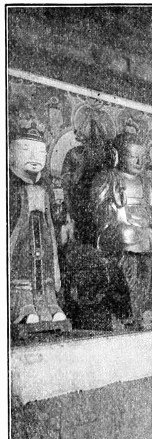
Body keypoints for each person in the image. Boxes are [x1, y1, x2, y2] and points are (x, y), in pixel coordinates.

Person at [92, 132, 152, 253]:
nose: (139, 162)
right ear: (117, 155)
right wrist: (116, 207)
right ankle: (142, 251)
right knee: (127, 233)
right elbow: (99, 214)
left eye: (143, 157)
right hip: (124, 231)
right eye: (133, 157)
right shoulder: (108, 178)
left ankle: (149, 246)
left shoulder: (146, 182)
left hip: (148, 232)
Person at [9, 128, 68, 324]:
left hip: (43, 236)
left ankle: (49, 304)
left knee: (46, 266)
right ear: (10, 153)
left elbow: (54, 219)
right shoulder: (10, 184)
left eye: (40, 151)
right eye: (26, 150)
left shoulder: (46, 185)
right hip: (21, 239)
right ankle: (22, 306)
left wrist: (59, 209)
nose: (34, 157)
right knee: (22, 267)